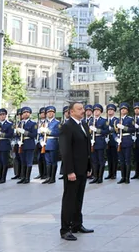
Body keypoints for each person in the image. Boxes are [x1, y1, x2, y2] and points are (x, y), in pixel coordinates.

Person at [59, 101, 93, 241]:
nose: (82, 111)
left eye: (83, 108)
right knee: (69, 199)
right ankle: (65, 229)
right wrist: (69, 171)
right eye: (79, 109)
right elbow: (65, 151)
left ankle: (77, 224)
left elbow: (86, 148)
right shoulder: (67, 127)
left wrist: (89, 167)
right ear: (71, 112)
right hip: (72, 170)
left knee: (79, 198)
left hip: (82, 168)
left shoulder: (83, 124)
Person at [15, 107, 38, 184]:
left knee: (29, 161)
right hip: (21, 144)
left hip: (29, 144)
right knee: (23, 161)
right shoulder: (19, 123)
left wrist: (25, 132)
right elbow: (16, 135)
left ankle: (27, 178)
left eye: (28, 112)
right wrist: (18, 139)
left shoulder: (33, 123)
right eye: (24, 113)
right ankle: (23, 177)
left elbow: (34, 134)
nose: (26, 114)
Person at [89, 104, 109, 184]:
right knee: (94, 161)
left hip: (100, 141)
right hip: (92, 142)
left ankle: (100, 177)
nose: (96, 112)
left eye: (98, 110)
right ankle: (95, 177)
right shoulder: (90, 121)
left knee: (101, 160)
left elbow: (107, 131)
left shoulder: (104, 121)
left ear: (100, 112)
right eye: (95, 111)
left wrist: (97, 130)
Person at [40, 106, 61, 184]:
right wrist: (41, 141)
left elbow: (58, 133)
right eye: (48, 112)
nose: (50, 114)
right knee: (47, 162)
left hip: (53, 143)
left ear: (54, 113)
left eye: (52, 112)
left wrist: (48, 131)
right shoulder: (44, 123)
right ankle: (48, 177)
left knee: (53, 161)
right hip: (45, 143)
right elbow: (41, 134)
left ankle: (53, 178)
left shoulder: (57, 122)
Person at [117, 103, 135, 184]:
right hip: (119, 141)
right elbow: (114, 131)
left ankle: (127, 178)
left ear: (127, 111)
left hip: (127, 140)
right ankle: (123, 177)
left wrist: (124, 127)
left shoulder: (130, 119)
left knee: (127, 160)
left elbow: (133, 129)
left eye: (124, 109)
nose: (123, 110)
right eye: (121, 109)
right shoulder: (117, 120)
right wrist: (116, 138)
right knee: (121, 160)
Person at [105, 104, 119, 180]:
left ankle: (114, 173)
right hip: (107, 141)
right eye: (109, 110)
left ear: (114, 111)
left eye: (111, 110)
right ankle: (110, 173)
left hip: (114, 140)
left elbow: (117, 130)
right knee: (109, 158)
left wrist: (111, 129)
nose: (110, 111)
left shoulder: (116, 120)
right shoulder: (105, 120)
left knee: (114, 158)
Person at [35, 107, 47, 180]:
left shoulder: (47, 122)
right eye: (41, 113)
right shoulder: (38, 122)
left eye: (43, 113)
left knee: (45, 159)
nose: (42, 114)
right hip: (38, 142)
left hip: (45, 142)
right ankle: (41, 173)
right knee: (39, 159)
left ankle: (45, 173)